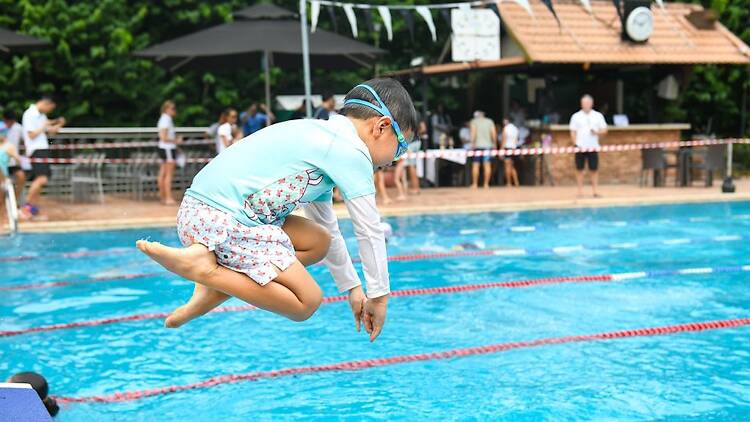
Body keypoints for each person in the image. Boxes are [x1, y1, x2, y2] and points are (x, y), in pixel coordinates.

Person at [135, 78, 417, 343]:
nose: (394, 160)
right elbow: (369, 229)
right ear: (380, 127)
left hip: (200, 212)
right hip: (222, 219)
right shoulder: (351, 152)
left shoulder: (323, 137)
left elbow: (328, 227)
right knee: (306, 301)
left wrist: (353, 287)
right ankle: (207, 273)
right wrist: (379, 297)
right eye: (400, 148)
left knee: (318, 241)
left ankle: (210, 289)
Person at [22, 96, 65, 217]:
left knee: (41, 181)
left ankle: (33, 210)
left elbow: (50, 135)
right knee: (41, 179)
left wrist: (59, 125)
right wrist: (44, 126)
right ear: (45, 104)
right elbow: (31, 135)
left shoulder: (41, 116)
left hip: (43, 149)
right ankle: (26, 208)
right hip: (36, 150)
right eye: (49, 108)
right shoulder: (29, 114)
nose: (49, 112)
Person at [570, 94, 607, 198]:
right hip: (580, 146)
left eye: (587, 103)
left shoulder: (598, 116)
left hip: (593, 146)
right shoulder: (576, 116)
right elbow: (573, 131)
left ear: (591, 103)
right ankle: (580, 191)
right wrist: (575, 144)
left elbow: (605, 130)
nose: (585, 105)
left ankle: (595, 191)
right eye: (584, 103)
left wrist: (597, 132)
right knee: (579, 169)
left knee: (594, 169)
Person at [156, 100, 182, 205]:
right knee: (168, 174)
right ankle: (168, 198)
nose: (174, 111)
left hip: (164, 148)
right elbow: (163, 137)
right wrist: (176, 141)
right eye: (173, 108)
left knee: (163, 173)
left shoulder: (164, 119)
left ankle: (163, 197)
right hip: (168, 148)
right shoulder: (166, 119)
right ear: (167, 109)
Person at [394, 120, 424, 200]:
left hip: (409, 147)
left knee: (398, 178)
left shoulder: (403, 121)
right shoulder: (415, 117)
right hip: (415, 142)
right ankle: (409, 190)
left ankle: (412, 189)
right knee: (405, 173)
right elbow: (423, 128)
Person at [469, 110, 497, 189]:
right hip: (488, 146)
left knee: (475, 164)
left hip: (477, 146)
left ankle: (474, 184)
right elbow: (493, 133)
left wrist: (472, 144)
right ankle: (486, 184)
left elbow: (473, 133)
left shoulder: (474, 122)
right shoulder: (489, 122)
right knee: (487, 164)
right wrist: (494, 144)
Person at [2, 111, 25, 204]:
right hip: (2, 160)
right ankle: (3, 203)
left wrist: (23, 155)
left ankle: (14, 201)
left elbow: (25, 141)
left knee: (21, 177)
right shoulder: (2, 127)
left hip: (12, 161)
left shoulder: (18, 128)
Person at [501, 117, 520, 187]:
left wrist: (501, 150)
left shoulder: (506, 128)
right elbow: (517, 139)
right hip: (514, 148)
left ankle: (509, 183)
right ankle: (516, 182)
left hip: (507, 148)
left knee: (507, 166)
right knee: (512, 166)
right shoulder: (515, 128)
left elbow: (504, 140)